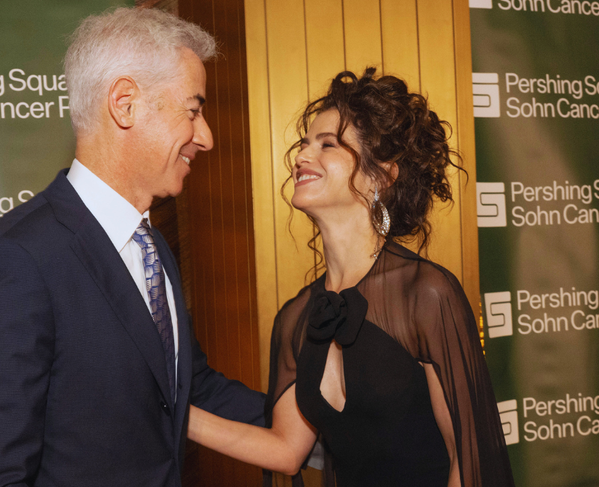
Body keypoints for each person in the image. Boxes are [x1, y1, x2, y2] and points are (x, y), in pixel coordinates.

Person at [0, 7, 265, 487]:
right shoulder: (15, 263)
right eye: (193, 110)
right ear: (125, 103)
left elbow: (190, 389)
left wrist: (340, 428)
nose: (206, 137)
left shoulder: (154, 249)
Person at [187, 69, 514, 486]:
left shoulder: (425, 294)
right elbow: (287, 452)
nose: (302, 157)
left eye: (327, 145)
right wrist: (177, 416)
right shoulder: (297, 318)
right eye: (304, 144)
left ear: (382, 175)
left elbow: (468, 462)